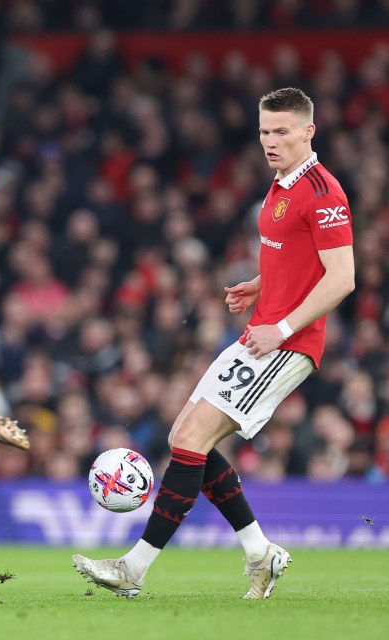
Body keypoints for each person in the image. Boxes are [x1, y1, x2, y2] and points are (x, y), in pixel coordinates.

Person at [72, 87, 355, 600]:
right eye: (265, 130)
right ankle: (260, 553)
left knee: (190, 441)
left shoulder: (324, 191)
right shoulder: (280, 185)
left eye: (282, 131)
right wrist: (261, 284)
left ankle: (133, 570)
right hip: (261, 332)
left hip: (286, 344)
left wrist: (284, 329)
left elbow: (342, 279)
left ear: (309, 131)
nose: (270, 140)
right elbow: (297, 259)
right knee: (186, 436)